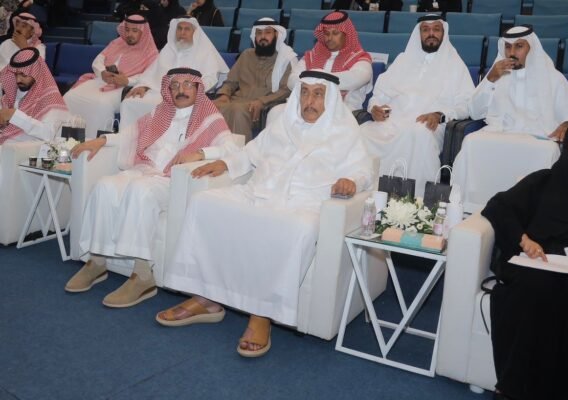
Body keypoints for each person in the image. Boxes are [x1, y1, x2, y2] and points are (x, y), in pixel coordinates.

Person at [157, 70, 373, 358]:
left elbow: (364, 170)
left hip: (305, 204)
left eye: (318, 94)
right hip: (258, 192)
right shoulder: (283, 124)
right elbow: (250, 153)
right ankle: (205, 297)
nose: (309, 101)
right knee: (203, 203)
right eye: (305, 93)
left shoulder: (345, 132)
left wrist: (352, 181)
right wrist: (226, 163)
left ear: (331, 99)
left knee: (296, 228)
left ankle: (262, 313)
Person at [65, 68, 239, 308]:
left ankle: (143, 275)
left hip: (171, 180)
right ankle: (97, 261)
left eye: (188, 84)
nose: (181, 90)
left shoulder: (210, 118)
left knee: (140, 191)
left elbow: (232, 149)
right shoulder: (160, 112)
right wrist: (102, 140)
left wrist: (201, 153)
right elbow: (129, 135)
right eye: (175, 85)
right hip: (144, 170)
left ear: (198, 88)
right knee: (104, 186)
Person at [480, 118, 568, 400]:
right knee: (535, 289)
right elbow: (499, 206)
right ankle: (514, 388)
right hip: (544, 259)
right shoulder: (543, 181)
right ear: (565, 149)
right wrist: (524, 239)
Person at [452, 26, 568, 208]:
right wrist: (490, 79)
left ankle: (531, 212)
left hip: (538, 137)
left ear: (531, 49)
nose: (512, 53)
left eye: (519, 46)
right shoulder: (496, 75)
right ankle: (472, 208)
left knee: (548, 151)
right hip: (499, 133)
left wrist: (567, 124)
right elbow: (474, 111)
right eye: (508, 47)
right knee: (471, 142)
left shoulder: (553, 78)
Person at [360, 15, 474, 196]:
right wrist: (374, 108)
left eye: (436, 29)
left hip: (428, 124)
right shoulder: (403, 60)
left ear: (443, 33)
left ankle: (414, 200)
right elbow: (379, 95)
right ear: (419, 33)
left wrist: (439, 115)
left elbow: (466, 104)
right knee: (363, 132)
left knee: (418, 134)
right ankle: (367, 194)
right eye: (425, 29)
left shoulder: (455, 65)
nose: (431, 34)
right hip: (393, 120)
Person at [119, 16, 228, 129]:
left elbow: (210, 78)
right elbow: (152, 73)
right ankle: (130, 138)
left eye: (187, 29)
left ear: (195, 32)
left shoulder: (205, 52)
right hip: (159, 93)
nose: (182, 32)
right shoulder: (169, 49)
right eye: (179, 28)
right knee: (129, 103)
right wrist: (143, 86)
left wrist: (190, 92)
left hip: (185, 96)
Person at [64, 15, 158, 140]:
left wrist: (128, 81)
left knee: (101, 104)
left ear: (143, 32)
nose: (129, 34)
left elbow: (150, 76)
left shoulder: (151, 52)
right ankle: (69, 140)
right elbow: (98, 60)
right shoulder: (116, 43)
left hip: (123, 88)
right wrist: (102, 72)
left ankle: (96, 142)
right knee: (70, 97)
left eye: (134, 31)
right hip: (100, 80)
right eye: (127, 30)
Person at [214, 18, 296, 141]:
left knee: (237, 110)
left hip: (264, 108)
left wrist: (262, 101)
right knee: (208, 106)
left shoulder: (286, 59)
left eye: (268, 32)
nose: (263, 37)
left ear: (276, 35)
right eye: (259, 33)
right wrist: (224, 95)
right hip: (237, 101)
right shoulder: (246, 55)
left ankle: (239, 151)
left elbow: (287, 90)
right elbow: (230, 82)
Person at [287, 10, 372, 112]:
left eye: (335, 33)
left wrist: (313, 80)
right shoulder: (311, 56)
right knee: (275, 111)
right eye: (327, 33)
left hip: (342, 110)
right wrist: (321, 82)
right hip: (306, 107)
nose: (330, 38)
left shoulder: (359, 58)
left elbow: (357, 78)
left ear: (346, 34)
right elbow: (292, 81)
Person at [0, 47, 68, 145]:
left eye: (23, 75)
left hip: (30, 149)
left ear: (36, 72)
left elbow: (49, 134)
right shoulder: (13, 93)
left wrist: (14, 115)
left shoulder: (50, 98)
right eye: (16, 74)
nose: (18, 80)